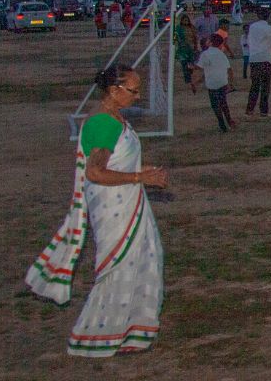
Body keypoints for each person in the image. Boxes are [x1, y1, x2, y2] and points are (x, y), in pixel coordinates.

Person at [26, 65, 169, 357]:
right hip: (113, 203)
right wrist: (139, 178)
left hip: (127, 197)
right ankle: (99, 331)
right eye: (133, 90)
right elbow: (95, 172)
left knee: (143, 257)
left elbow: (115, 164)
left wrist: (140, 172)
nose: (138, 96)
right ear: (114, 91)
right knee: (119, 264)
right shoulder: (104, 123)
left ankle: (132, 327)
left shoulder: (114, 118)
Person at [195, 32, 235, 132]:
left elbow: (199, 67)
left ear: (211, 43)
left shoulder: (205, 54)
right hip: (222, 81)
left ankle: (222, 125)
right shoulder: (221, 54)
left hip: (212, 83)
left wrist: (190, 66)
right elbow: (229, 69)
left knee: (215, 105)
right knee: (223, 103)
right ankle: (229, 120)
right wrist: (230, 83)